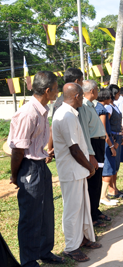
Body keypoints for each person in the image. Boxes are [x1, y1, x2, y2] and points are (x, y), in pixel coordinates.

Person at [8, 71, 65, 266]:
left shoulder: (43, 109)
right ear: (48, 90)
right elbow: (18, 151)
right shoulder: (28, 113)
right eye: (56, 90)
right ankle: (29, 261)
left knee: (46, 213)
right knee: (31, 217)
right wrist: (15, 176)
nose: (58, 93)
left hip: (40, 166)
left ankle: (44, 251)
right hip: (29, 168)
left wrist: (43, 154)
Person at [53, 83, 101, 262]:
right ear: (76, 96)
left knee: (82, 207)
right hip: (71, 170)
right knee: (72, 209)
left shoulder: (71, 113)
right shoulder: (66, 115)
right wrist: (90, 166)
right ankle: (71, 247)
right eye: (81, 95)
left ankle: (83, 238)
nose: (83, 97)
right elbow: (74, 149)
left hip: (77, 170)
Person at [79, 80, 110, 227]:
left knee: (98, 179)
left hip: (99, 144)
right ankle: (92, 216)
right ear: (91, 91)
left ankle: (96, 210)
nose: (98, 92)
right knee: (93, 181)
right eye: (97, 89)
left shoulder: (92, 105)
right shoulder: (84, 106)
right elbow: (85, 131)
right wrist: (90, 154)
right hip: (92, 145)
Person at [95, 89, 119, 206]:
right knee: (108, 170)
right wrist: (111, 146)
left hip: (100, 142)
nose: (111, 99)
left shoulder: (96, 107)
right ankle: (103, 196)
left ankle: (102, 195)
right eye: (110, 97)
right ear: (105, 98)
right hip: (106, 143)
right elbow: (104, 131)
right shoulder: (102, 110)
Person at [105, 84, 123, 198]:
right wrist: (113, 141)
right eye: (117, 93)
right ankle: (111, 189)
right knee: (112, 164)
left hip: (118, 137)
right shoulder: (108, 107)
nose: (119, 95)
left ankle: (115, 187)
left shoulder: (114, 105)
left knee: (116, 164)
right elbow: (106, 125)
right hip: (113, 139)